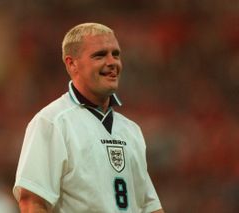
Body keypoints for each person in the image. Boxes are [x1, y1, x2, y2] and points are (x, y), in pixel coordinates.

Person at [13, 22, 164, 213]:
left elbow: (149, 206)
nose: (112, 62)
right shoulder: (52, 122)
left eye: (115, 54)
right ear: (72, 63)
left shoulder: (131, 130)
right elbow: (32, 202)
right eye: (100, 55)